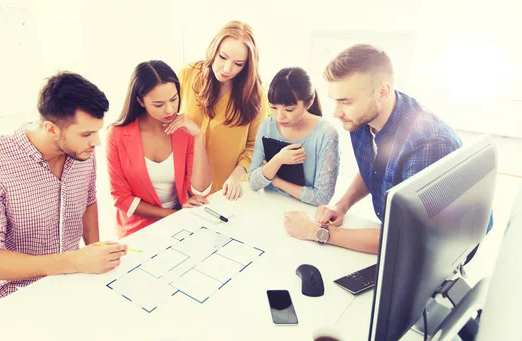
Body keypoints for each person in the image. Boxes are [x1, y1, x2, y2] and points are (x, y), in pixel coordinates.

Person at [283, 44, 491, 254]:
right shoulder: (362, 116)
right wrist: (342, 205)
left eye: (345, 102)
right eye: (335, 101)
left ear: (382, 91)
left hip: (444, 249)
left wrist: (316, 232)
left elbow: (406, 239)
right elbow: (374, 168)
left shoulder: (428, 144)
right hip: (401, 235)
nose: (337, 113)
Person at [0, 72, 127, 306]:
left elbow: (88, 199)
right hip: (16, 291)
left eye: (96, 131)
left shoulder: (82, 151)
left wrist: (94, 249)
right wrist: (73, 261)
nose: (96, 142)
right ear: (52, 129)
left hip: (75, 279)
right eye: (87, 134)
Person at [107, 60, 212, 238]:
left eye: (174, 99)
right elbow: (121, 199)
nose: (170, 109)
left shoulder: (184, 130)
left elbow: (201, 191)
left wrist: (198, 137)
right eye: (158, 104)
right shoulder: (116, 135)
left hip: (181, 223)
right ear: (140, 101)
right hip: (137, 229)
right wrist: (171, 215)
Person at [179, 20, 267, 200]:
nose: (227, 69)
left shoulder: (255, 95)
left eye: (238, 63)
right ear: (214, 49)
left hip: (225, 192)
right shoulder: (188, 74)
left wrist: (235, 177)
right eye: (223, 57)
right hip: (181, 187)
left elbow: (255, 146)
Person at [249, 67, 340, 206]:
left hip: (306, 212)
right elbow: (253, 182)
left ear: (309, 102)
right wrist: (278, 160)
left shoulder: (326, 134)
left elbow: (322, 197)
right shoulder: (267, 126)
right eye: (273, 107)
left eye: (289, 109)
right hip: (267, 205)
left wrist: (276, 181)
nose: (280, 116)